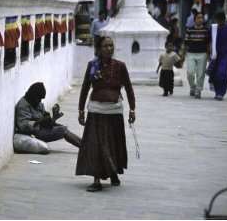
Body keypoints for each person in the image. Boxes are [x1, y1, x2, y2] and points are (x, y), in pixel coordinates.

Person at [76, 36, 136, 192]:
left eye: (111, 46)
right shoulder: (92, 66)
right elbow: (85, 88)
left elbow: (129, 88)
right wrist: (81, 110)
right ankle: (96, 179)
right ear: (99, 49)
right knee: (96, 145)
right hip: (96, 111)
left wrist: (132, 109)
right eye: (105, 46)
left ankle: (113, 172)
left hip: (114, 112)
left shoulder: (120, 66)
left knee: (112, 144)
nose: (109, 48)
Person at [14, 82, 81, 153]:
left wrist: (54, 117)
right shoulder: (23, 106)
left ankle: (83, 144)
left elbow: (46, 120)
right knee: (63, 130)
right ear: (33, 96)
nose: (40, 101)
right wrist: (40, 121)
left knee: (63, 128)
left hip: (41, 129)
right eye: (39, 98)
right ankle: (83, 146)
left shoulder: (36, 103)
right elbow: (23, 126)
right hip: (33, 134)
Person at [207, 11, 227, 100]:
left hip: (226, 54)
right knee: (214, 73)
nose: (218, 22)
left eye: (219, 20)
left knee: (222, 73)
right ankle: (218, 92)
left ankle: (221, 92)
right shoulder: (213, 28)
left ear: (223, 19)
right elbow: (209, 40)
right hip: (215, 54)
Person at [184, 12, 210, 98]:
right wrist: (183, 54)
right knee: (190, 73)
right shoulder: (189, 29)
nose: (200, 19)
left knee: (200, 74)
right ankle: (192, 87)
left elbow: (208, 43)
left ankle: (198, 90)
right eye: (198, 18)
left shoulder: (206, 30)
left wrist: (209, 54)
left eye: (201, 18)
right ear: (195, 20)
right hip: (191, 53)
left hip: (202, 54)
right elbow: (186, 42)